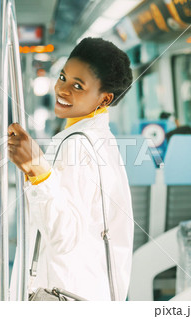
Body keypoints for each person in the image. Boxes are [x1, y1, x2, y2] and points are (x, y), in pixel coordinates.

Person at [8, 38, 134, 300]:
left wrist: (37, 169)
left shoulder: (78, 146)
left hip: (63, 291)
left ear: (104, 99)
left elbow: (64, 235)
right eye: (63, 77)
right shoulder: (98, 138)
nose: (62, 90)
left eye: (78, 86)